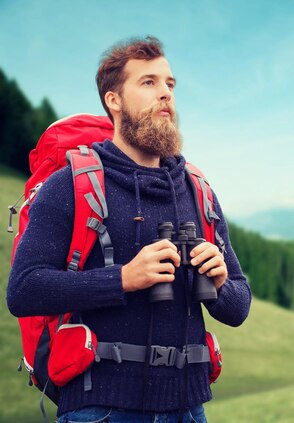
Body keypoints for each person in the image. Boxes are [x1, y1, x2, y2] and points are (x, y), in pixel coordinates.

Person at [7, 36, 251, 423]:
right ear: (114, 100)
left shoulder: (197, 190)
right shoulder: (72, 185)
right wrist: (123, 278)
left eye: (170, 84)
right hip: (101, 409)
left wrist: (221, 283)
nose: (165, 95)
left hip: (189, 409)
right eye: (149, 82)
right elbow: (23, 291)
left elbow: (239, 307)